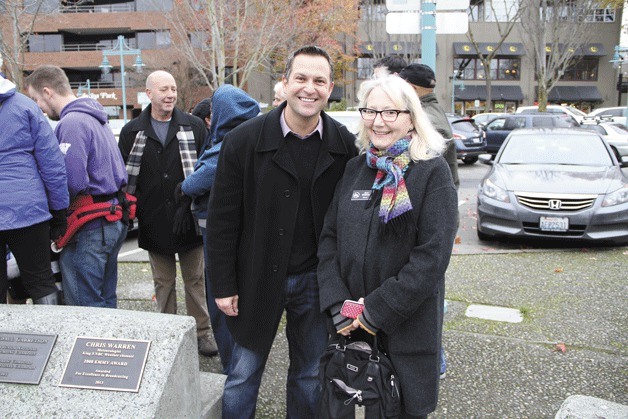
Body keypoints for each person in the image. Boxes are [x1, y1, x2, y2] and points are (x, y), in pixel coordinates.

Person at [206, 45, 358, 418]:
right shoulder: (243, 141)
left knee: (310, 376)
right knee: (242, 375)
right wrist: (223, 285)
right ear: (285, 83)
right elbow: (223, 220)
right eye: (301, 78)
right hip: (255, 277)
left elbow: (351, 225)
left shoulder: (344, 145)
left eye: (319, 81)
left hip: (315, 282)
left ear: (331, 87)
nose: (310, 88)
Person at [317, 76, 458, 418]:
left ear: (411, 117)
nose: (378, 121)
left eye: (390, 112)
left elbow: (431, 258)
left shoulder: (431, 173)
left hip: (406, 330)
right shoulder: (355, 169)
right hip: (350, 330)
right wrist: (343, 309)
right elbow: (329, 240)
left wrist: (375, 312)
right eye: (370, 111)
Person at [117, 70, 217, 357]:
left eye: (173, 88)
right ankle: (168, 333)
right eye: (164, 89)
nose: (170, 94)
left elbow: (207, 166)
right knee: (163, 283)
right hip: (153, 218)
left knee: (196, 281)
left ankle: (202, 334)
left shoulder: (195, 125)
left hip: (189, 216)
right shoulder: (132, 131)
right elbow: (124, 176)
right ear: (149, 94)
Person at [25, 65, 128, 308]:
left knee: (84, 307)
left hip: (89, 226)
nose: (37, 107)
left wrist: (54, 212)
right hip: (110, 219)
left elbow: (72, 181)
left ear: (48, 92)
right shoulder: (95, 117)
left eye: (35, 99)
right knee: (106, 300)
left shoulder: (71, 123)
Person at [180, 84, 260, 374]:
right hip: (239, 240)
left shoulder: (227, 145)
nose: (210, 116)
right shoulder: (250, 140)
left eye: (214, 110)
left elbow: (194, 183)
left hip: (222, 241)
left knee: (223, 306)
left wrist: (182, 188)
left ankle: (234, 371)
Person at [399, 63, 460, 378]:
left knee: (426, 292)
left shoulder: (429, 120)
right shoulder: (432, 110)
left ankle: (433, 363)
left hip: (429, 216)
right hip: (433, 213)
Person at [0, 73, 69, 305]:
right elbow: (52, 164)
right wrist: (59, 211)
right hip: (27, 208)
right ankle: (52, 334)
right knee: (41, 280)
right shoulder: (25, 106)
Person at [399, 63, 459, 189]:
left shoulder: (425, 119)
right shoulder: (432, 110)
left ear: (411, 88)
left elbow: (422, 172)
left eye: (400, 86)